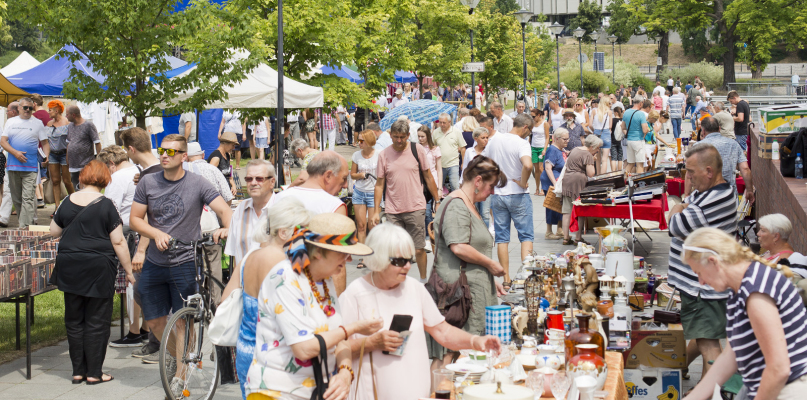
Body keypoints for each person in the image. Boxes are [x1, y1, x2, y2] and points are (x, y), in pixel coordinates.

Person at [340, 223, 502, 399]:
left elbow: (442, 330)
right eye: (400, 261)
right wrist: (373, 343)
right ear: (379, 259)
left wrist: (475, 341)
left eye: (410, 260)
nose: (408, 267)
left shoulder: (414, 288)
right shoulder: (355, 295)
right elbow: (336, 350)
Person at [129, 135, 232, 390]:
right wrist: (155, 234)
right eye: (162, 150)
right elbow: (135, 219)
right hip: (155, 260)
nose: (164, 155)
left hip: (185, 260)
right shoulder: (148, 181)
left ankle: (182, 374)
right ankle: (182, 358)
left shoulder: (198, 183)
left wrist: (227, 228)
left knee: (184, 319)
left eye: (171, 152)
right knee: (154, 320)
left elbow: (224, 210)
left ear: (184, 156)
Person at [244, 213, 382, 400]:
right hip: (276, 393)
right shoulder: (285, 277)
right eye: (343, 253)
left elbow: (340, 339)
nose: (348, 260)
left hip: (314, 392)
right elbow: (303, 348)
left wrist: (345, 372)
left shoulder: (325, 281)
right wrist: (354, 328)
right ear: (318, 252)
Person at [680, 228, 807, 400]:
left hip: (786, 390)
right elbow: (731, 356)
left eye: (699, 273)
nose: (701, 282)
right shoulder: (740, 287)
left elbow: (779, 368)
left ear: (713, 261)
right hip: (766, 386)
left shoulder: (755, 292)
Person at [50, 160, 136, 384]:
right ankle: (95, 373)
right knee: (97, 320)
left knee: (74, 319)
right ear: (105, 180)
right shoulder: (106, 204)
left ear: (82, 178)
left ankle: (78, 371)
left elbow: (53, 231)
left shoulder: (67, 201)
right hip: (99, 267)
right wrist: (128, 270)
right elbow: (118, 242)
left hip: (70, 265)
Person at [220, 197, 312, 399]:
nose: (307, 236)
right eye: (303, 230)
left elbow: (225, 298)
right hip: (272, 355)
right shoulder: (280, 260)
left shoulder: (250, 256)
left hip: (246, 349)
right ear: (283, 232)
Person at [427, 156, 507, 368]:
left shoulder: (468, 203)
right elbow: (459, 246)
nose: (492, 192)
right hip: (458, 295)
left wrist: (489, 278)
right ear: (478, 181)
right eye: (491, 186)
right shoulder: (456, 205)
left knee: (461, 354)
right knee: (449, 354)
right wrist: (490, 265)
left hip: (468, 291)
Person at [667, 143, 738, 380]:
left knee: (709, 346)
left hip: (702, 288)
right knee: (704, 333)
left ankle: (713, 391)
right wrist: (686, 206)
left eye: (691, 172)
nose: (687, 178)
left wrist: (678, 206)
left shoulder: (711, 200)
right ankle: (679, 367)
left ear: (709, 171)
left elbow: (674, 225)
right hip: (706, 286)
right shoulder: (713, 191)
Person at [372, 120, 440, 282]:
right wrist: (375, 211)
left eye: (402, 137)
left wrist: (437, 201)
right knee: (396, 251)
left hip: (415, 207)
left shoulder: (418, 151)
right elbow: (379, 184)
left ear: (409, 135)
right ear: (390, 135)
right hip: (393, 210)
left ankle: (423, 281)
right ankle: (399, 282)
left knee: (418, 249)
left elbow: (428, 177)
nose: (399, 140)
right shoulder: (384, 155)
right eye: (396, 137)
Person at [96, 145, 148, 348]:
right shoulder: (138, 170)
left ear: (111, 164)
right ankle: (144, 329)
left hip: (127, 233)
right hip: (141, 231)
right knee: (139, 281)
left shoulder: (117, 178)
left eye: (105, 169)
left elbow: (109, 209)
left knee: (131, 282)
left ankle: (134, 331)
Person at [482, 114, 534, 288]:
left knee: (502, 238)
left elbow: (485, 162)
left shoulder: (495, 140)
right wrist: (522, 181)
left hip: (498, 193)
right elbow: (527, 165)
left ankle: (506, 279)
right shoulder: (522, 143)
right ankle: (527, 276)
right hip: (518, 193)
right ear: (525, 127)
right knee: (526, 235)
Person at [1, 97, 49, 228]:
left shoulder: (37, 123)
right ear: (19, 108)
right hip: (13, 166)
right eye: (25, 108)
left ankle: (24, 226)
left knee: (27, 198)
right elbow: (3, 141)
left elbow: (45, 142)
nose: (28, 110)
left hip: (31, 167)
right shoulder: (11, 122)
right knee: (17, 199)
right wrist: (15, 152)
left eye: (30, 108)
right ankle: (28, 223)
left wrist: (46, 156)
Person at [224, 158, 276, 272]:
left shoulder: (282, 209)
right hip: (245, 285)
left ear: (272, 182)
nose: (253, 183)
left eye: (259, 179)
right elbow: (234, 254)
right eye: (249, 179)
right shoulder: (240, 210)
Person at [693, 117, 754, 204]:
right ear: (719, 129)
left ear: (703, 131)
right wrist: (749, 190)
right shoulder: (734, 144)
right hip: (729, 195)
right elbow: (745, 169)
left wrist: (687, 194)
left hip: (705, 197)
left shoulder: (697, 146)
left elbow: (690, 172)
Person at [562, 135, 602, 245]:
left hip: (567, 180)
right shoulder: (587, 154)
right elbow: (591, 173)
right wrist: (593, 161)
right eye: (597, 148)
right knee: (580, 211)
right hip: (578, 182)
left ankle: (566, 238)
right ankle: (578, 238)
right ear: (592, 146)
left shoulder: (576, 149)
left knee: (567, 211)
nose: (598, 150)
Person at [350, 130, 379, 252]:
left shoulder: (379, 154)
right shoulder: (356, 155)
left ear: (369, 142)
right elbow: (352, 174)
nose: (359, 143)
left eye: (361, 141)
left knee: (373, 226)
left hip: (373, 193)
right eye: (358, 140)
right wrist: (360, 175)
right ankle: (364, 254)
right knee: (361, 226)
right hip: (359, 192)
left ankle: (374, 253)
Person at [45, 100, 74, 209]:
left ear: (57, 110)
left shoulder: (67, 123)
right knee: (55, 180)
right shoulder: (49, 124)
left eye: (50, 110)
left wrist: (68, 155)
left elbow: (70, 141)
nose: (48, 112)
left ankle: (73, 202)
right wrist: (46, 155)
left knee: (67, 181)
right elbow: (46, 142)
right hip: (53, 154)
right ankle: (57, 206)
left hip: (64, 154)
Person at [65, 106, 101, 191]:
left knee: (86, 187)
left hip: (86, 163)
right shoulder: (70, 126)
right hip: (73, 163)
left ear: (73, 115)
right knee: (76, 187)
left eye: (67, 115)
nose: (66, 117)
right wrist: (67, 158)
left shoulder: (88, 125)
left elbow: (97, 143)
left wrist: (99, 160)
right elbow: (69, 143)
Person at [542, 129, 568, 240]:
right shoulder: (552, 150)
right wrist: (555, 183)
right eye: (565, 139)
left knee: (559, 206)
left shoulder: (560, 149)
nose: (567, 141)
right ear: (556, 139)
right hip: (551, 182)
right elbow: (548, 167)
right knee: (551, 206)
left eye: (568, 138)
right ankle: (548, 231)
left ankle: (559, 229)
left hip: (558, 181)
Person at [461, 127, 491, 227]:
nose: (486, 140)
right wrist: (462, 184)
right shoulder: (470, 151)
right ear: (476, 138)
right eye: (483, 138)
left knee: (485, 213)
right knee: (474, 211)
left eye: (487, 137)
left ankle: (487, 236)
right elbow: (465, 168)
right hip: (473, 185)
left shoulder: (489, 151)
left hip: (486, 185)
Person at [432, 113, 467, 193]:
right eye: (440, 122)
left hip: (453, 163)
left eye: (444, 122)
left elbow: (462, 148)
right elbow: (433, 147)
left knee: (455, 186)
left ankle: (457, 203)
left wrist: (463, 163)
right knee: (438, 187)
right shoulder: (435, 132)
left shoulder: (456, 131)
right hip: (440, 164)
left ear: (449, 122)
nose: (442, 124)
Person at [418, 125, 443, 230]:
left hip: (432, 181)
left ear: (428, 136)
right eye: (418, 136)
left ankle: (430, 234)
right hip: (420, 181)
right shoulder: (416, 148)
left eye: (422, 136)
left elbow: (439, 169)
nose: (420, 139)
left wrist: (440, 188)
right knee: (423, 211)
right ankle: (427, 233)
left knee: (430, 210)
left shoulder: (435, 149)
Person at [622, 96, 650, 173]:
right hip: (638, 140)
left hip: (629, 141)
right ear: (641, 103)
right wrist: (647, 129)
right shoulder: (641, 114)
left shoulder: (626, 112)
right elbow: (645, 130)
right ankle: (639, 183)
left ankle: (624, 179)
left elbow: (623, 127)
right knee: (640, 165)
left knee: (630, 163)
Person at [208, 131, 239, 196]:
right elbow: (209, 176)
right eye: (232, 145)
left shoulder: (227, 155)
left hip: (227, 191)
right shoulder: (216, 157)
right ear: (226, 143)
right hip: (218, 193)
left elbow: (230, 173)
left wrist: (233, 185)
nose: (233, 148)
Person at [530, 108, 550, 196]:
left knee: (541, 169)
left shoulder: (544, 123)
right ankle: (537, 188)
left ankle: (543, 188)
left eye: (533, 116)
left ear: (538, 115)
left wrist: (545, 149)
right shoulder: (532, 124)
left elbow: (547, 137)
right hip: (534, 147)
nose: (532, 118)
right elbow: (531, 136)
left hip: (542, 147)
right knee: (536, 170)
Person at [592, 98, 613, 173]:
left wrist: (594, 130)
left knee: (598, 158)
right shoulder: (609, 112)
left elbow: (591, 124)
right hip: (606, 133)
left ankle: (598, 174)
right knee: (604, 159)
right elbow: (610, 126)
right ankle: (603, 176)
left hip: (597, 133)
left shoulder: (594, 111)